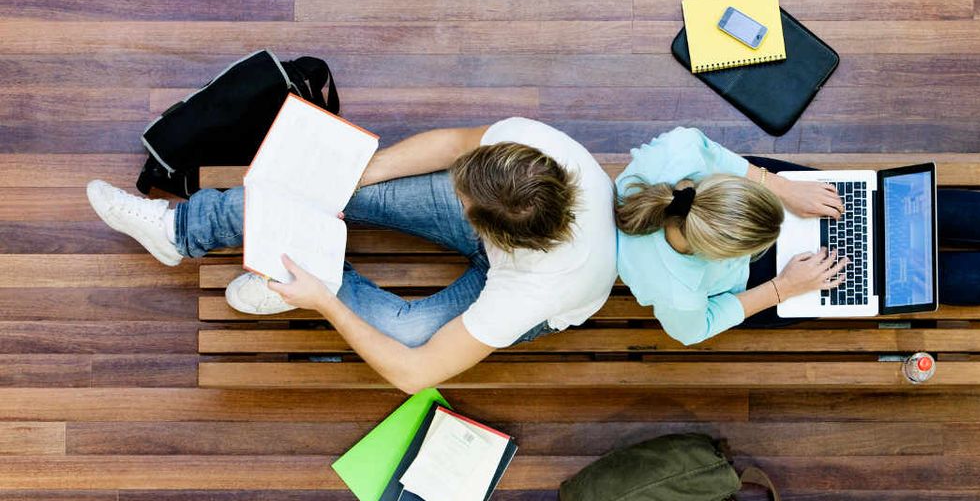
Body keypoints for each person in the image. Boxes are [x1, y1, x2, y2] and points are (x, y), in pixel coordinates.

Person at [87, 118, 617, 392]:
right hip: (519, 233)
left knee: (408, 334)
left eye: (462, 198)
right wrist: (357, 177)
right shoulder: (531, 151)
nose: (451, 190)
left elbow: (416, 372)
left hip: (535, 293)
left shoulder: (532, 290)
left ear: (485, 226)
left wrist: (327, 303)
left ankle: (311, 284)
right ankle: (178, 230)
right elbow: (456, 141)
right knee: (330, 187)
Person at [615, 127, 980, 346]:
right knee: (911, 279)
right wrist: (784, 288)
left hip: (770, 194)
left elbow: (717, 156)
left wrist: (784, 191)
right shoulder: (673, 288)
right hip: (767, 281)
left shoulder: (675, 160)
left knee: (912, 214)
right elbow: (696, 329)